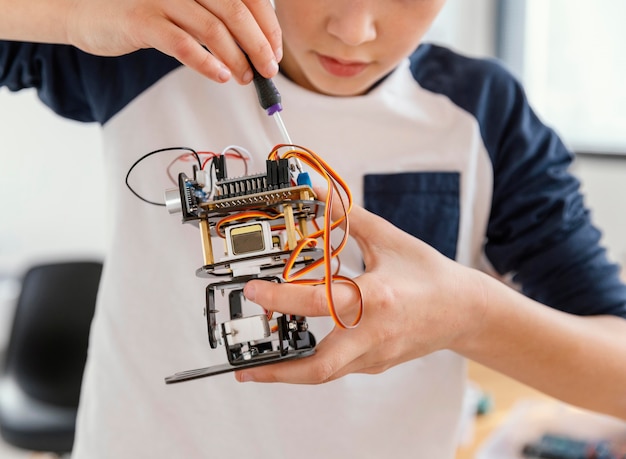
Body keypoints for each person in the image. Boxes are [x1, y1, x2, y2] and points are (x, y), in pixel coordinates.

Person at [2, 1, 626, 458]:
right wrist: (66, 13)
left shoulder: (485, 114)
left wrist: (473, 316)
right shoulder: (148, 54)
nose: (354, 30)